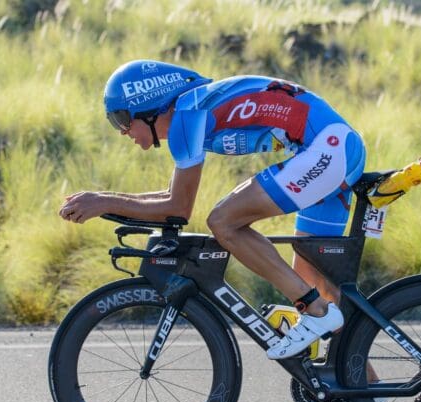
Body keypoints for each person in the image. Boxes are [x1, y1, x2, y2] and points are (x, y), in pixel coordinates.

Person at [59, 60, 366, 361]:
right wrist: (103, 200)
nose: (122, 131)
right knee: (318, 285)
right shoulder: (191, 111)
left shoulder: (185, 117)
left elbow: (178, 208)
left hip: (327, 150)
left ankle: (314, 310)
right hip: (335, 148)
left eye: (122, 119)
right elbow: (170, 198)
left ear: (149, 107)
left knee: (224, 222)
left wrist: (104, 202)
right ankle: (365, 397)